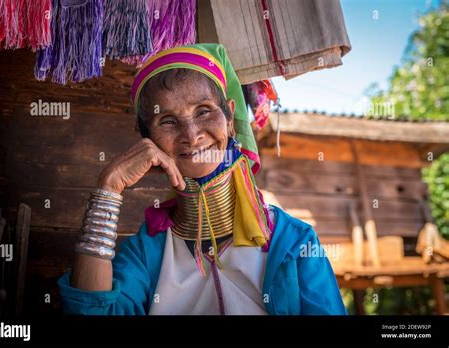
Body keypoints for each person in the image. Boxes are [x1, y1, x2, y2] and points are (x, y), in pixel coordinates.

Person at [57, 43, 347, 315]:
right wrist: (108, 189)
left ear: (230, 118)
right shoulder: (148, 252)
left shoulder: (293, 241)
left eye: (204, 111)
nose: (191, 134)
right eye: (168, 121)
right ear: (149, 142)